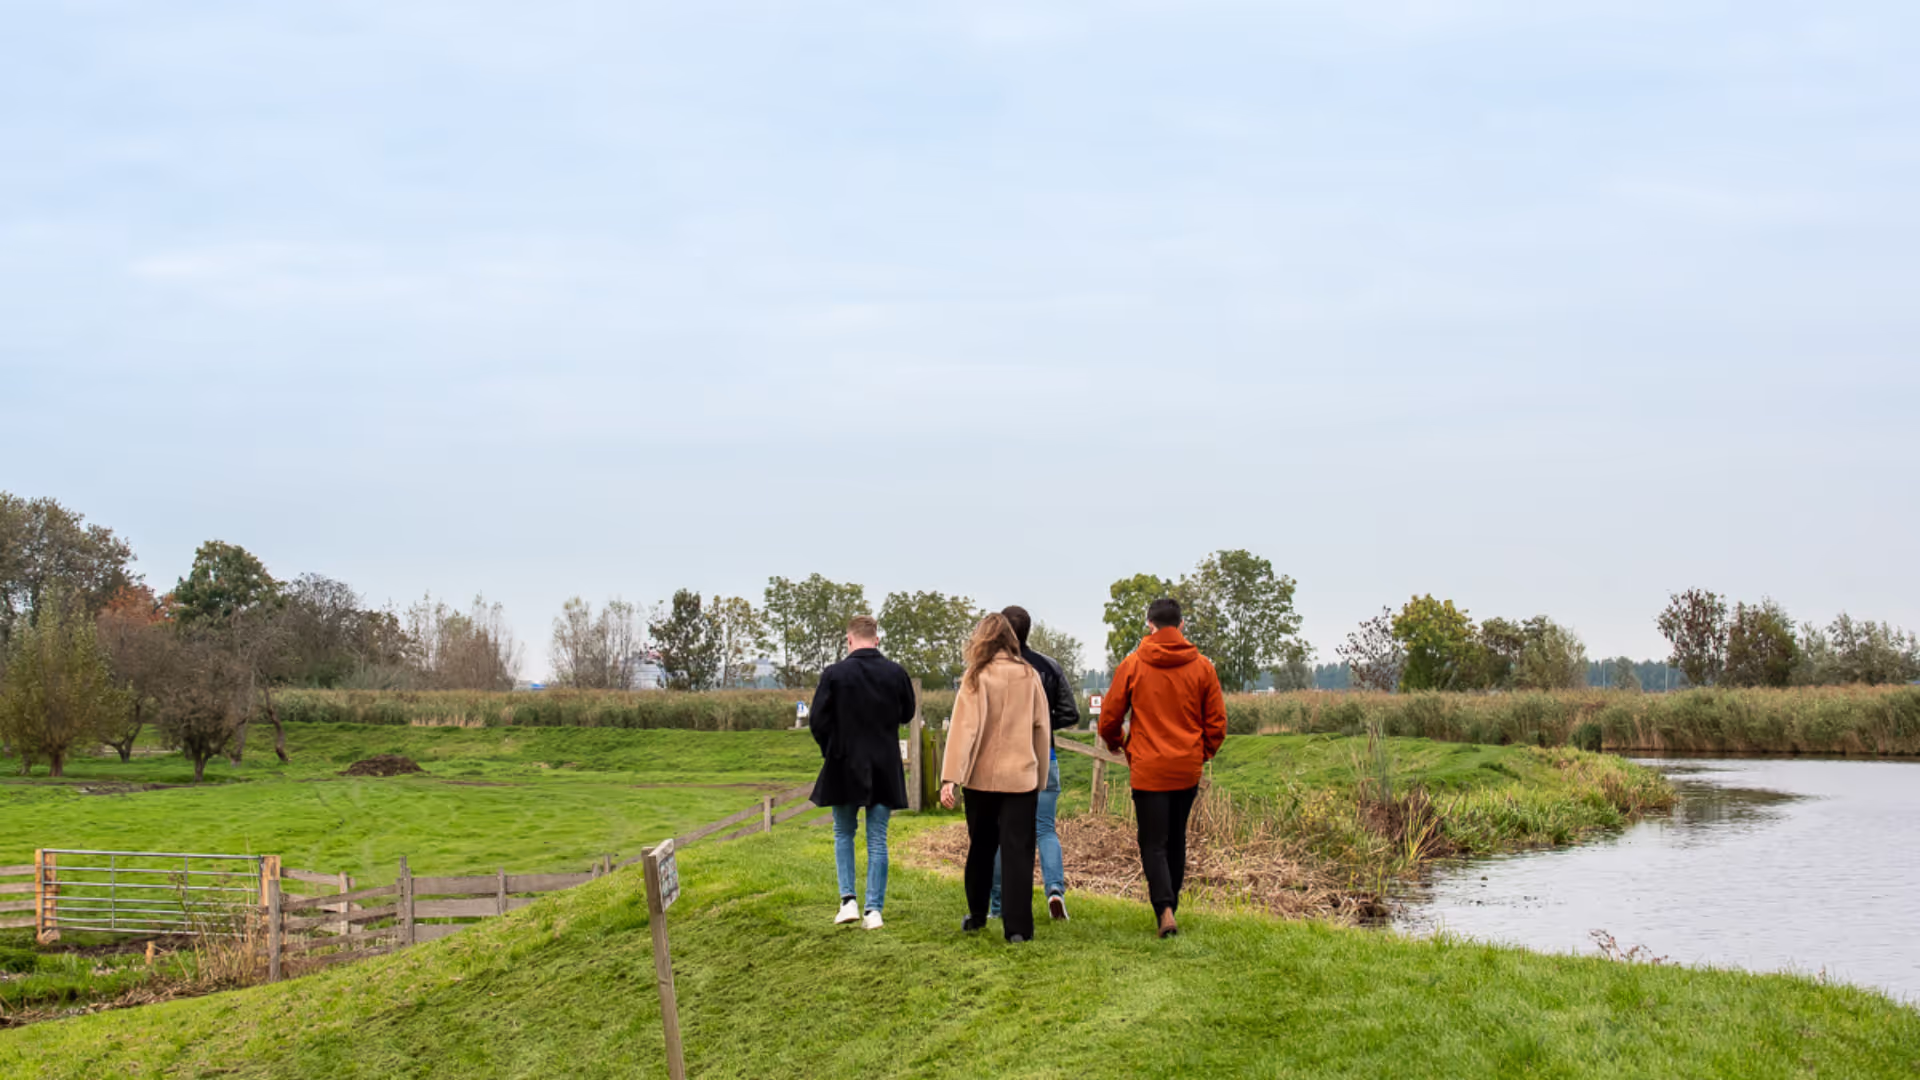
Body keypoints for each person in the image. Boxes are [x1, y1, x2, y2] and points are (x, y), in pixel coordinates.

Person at [1098, 596, 1226, 938]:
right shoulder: (1203, 667)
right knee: (1176, 838)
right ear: (1181, 626)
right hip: (1186, 767)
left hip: (1148, 768)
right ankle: (1171, 905)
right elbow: (1217, 724)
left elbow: (1109, 718)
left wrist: (1119, 745)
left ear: (1149, 625)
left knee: (1152, 841)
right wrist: (1201, 752)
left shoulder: (1133, 664)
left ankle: (1164, 908)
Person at [939, 613, 1050, 944]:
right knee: (1018, 852)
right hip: (1021, 779)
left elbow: (963, 731)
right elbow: (1041, 729)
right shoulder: (1030, 676)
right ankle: (1017, 929)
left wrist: (950, 779)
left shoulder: (975, 677)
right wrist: (1040, 776)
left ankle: (976, 915)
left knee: (981, 848)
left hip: (980, 780)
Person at [809, 614, 916, 930]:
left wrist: (831, 749)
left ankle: (847, 902)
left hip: (843, 762)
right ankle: (874, 911)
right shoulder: (896, 673)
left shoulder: (834, 674)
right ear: (877, 639)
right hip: (883, 763)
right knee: (878, 838)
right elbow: (907, 713)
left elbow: (817, 720)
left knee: (843, 831)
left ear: (849, 640)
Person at [989, 605, 1081, 922]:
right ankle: (1055, 891)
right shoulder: (1049, 666)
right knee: (1045, 830)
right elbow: (1071, 713)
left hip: (1004, 762)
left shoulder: (991, 668)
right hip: (1045, 758)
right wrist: (1041, 724)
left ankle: (998, 905)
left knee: (1003, 833)